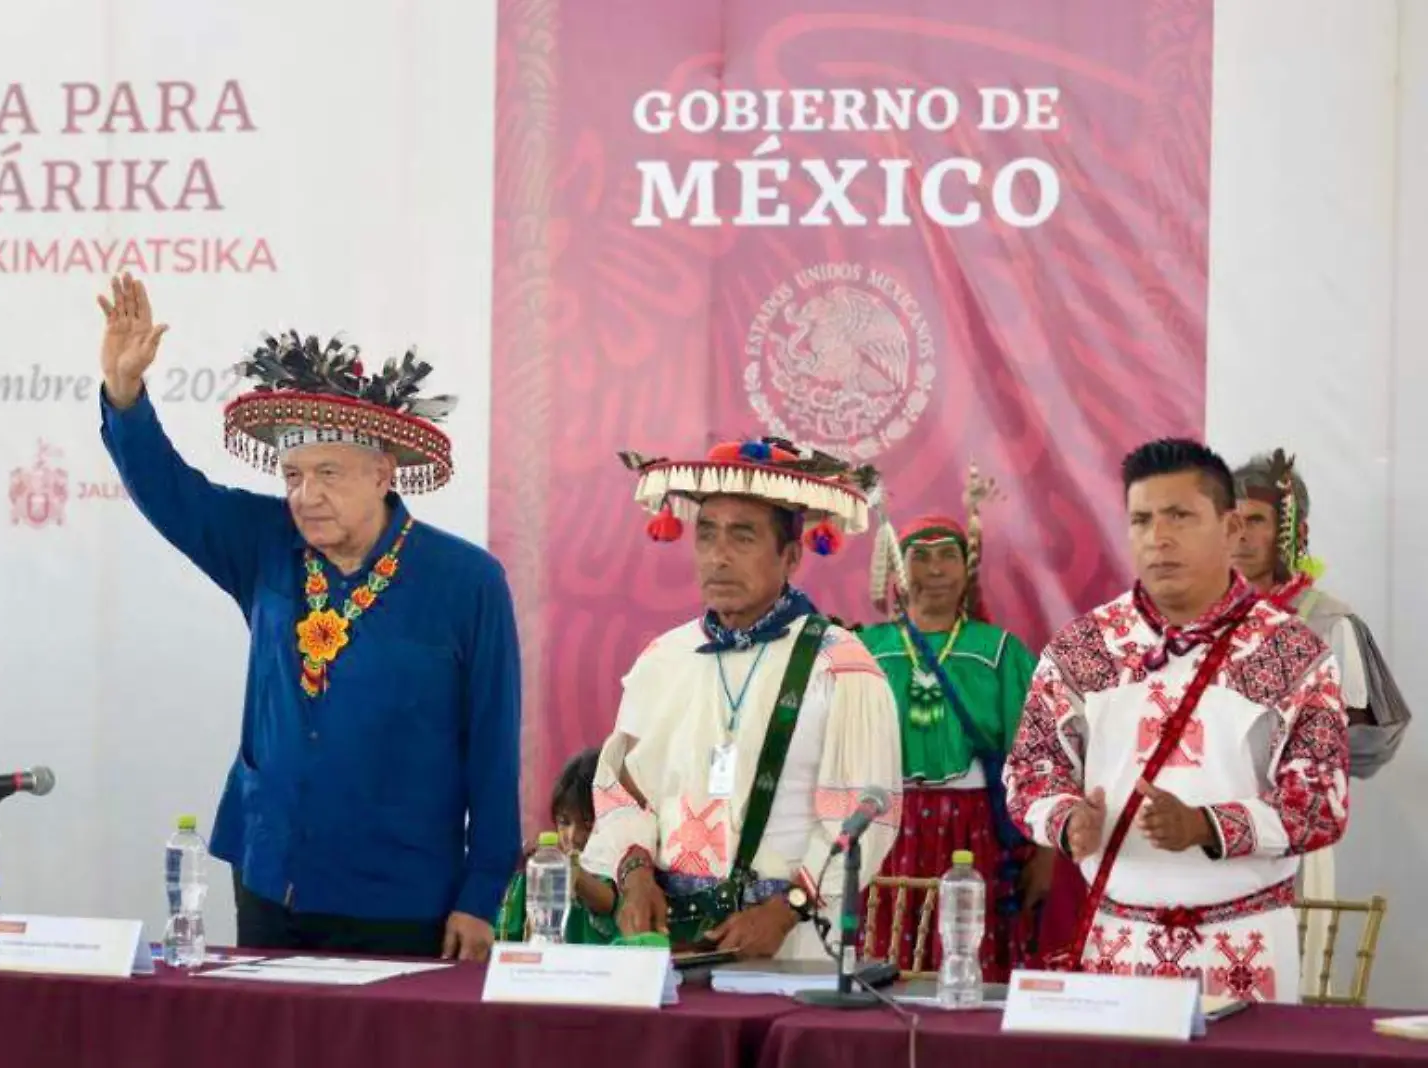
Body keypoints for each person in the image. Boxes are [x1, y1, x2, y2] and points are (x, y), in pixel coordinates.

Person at [94, 274, 520, 960]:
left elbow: (494, 753)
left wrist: (483, 892)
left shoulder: (467, 581)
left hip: (403, 893)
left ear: (383, 475)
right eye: (293, 476)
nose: (306, 494)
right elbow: (172, 494)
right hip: (269, 876)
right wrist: (125, 394)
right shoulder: (265, 545)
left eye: (329, 474)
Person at [1006, 439, 1349, 1002]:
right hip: (1117, 942)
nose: (1158, 538)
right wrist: (1066, 821)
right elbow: (1029, 775)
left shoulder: (1292, 652)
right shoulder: (1083, 648)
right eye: (1141, 519)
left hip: (1244, 946)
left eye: (1180, 516)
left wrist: (1206, 827)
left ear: (1231, 527)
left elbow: (1320, 805)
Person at [581, 439, 902, 959]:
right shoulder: (665, 658)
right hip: (671, 942)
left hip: (791, 942)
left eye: (743, 537)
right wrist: (635, 871)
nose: (718, 556)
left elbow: (867, 821)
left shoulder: (841, 665)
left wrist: (788, 908)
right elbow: (621, 791)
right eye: (706, 535)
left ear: (792, 556)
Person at [1233, 449, 1409, 994]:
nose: (1240, 536)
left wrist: (1290, 761)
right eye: (1231, 521)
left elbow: (1366, 739)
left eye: (1256, 522)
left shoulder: (1328, 623)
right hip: (1207, 827)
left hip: (1292, 831)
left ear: (1291, 531)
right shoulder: (1195, 622)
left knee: (1289, 984)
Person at [859, 492, 1049, 981]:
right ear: (898, 571)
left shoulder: (1000, 650)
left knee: (966, 956)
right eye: (918, 556)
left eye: (948, 554)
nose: (935, 568)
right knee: (888, 956)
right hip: (886, 827)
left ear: (967, 569)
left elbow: (1042, 755)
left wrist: (1044, 857)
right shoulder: (866, 649)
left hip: (973, 830)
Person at [494, 747, 619, 944]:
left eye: (588, 823)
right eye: (564, 822)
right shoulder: (543, 868)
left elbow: (606, 903)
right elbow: (505, 935)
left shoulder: (618, 869)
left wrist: (570, 871)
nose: (573, 836)